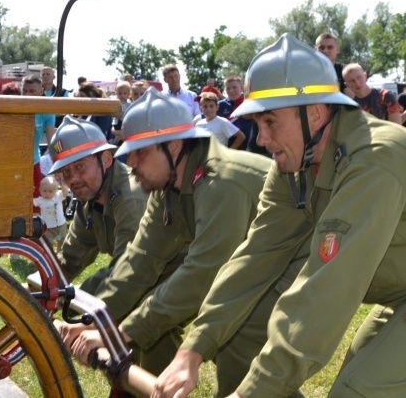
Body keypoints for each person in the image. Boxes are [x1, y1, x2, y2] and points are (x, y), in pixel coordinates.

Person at [152, 34, 406, 398]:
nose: (260, 139)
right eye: (257, 123)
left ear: (313, 113)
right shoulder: (295, 165)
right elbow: (255, 256)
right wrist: (193, 350)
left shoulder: (375, 160)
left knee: (356, 392)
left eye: (270, 122)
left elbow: (326, 288)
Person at [59, 91, 286, 385]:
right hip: (260, 268)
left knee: (239, 346)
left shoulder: (222, 181)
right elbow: (139, 261)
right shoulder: (165, 186)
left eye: (141, 151)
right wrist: (97, 321)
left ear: (175, 145)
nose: (132, 162)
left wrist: (119, 331)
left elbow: (203, 273)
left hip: (300, 263)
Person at [48, 116, 148, 294]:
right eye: (66, 171)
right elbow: (71, 257)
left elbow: (126, 272)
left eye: (80, 167)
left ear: (107, 159)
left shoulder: (131, 198)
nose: (73, 179)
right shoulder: (90, 198)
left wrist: (68, 298)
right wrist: (40, 288)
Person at [23, 75, 56, 203]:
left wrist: (58, 166)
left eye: (32, 91)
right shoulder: (14, 107)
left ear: (41, 91)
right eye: (25, 91)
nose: (27, 95)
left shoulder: (47, 110)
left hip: (33, 161)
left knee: (38, 201)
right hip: (13, 161)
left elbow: (52, 141)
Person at [217, 75, 253, 149]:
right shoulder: (220, 105)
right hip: (229, 146)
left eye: (234, 87)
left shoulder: (250, 102)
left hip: (249, 146)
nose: (231, 91)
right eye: (228, 88)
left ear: (242, 87)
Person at [34, 176, 67, 253]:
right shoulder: (40, 200)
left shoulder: (58, 196)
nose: (47, 194)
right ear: (40, 190)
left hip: (60, 225)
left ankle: (60, 254)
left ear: (56, 191)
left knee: (62, 241)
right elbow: (30, 201)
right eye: (44, 191)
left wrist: (62, 185)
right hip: (47, 227)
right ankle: (50, 255)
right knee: (48, 243)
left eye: (50, 191)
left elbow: (65, 192)